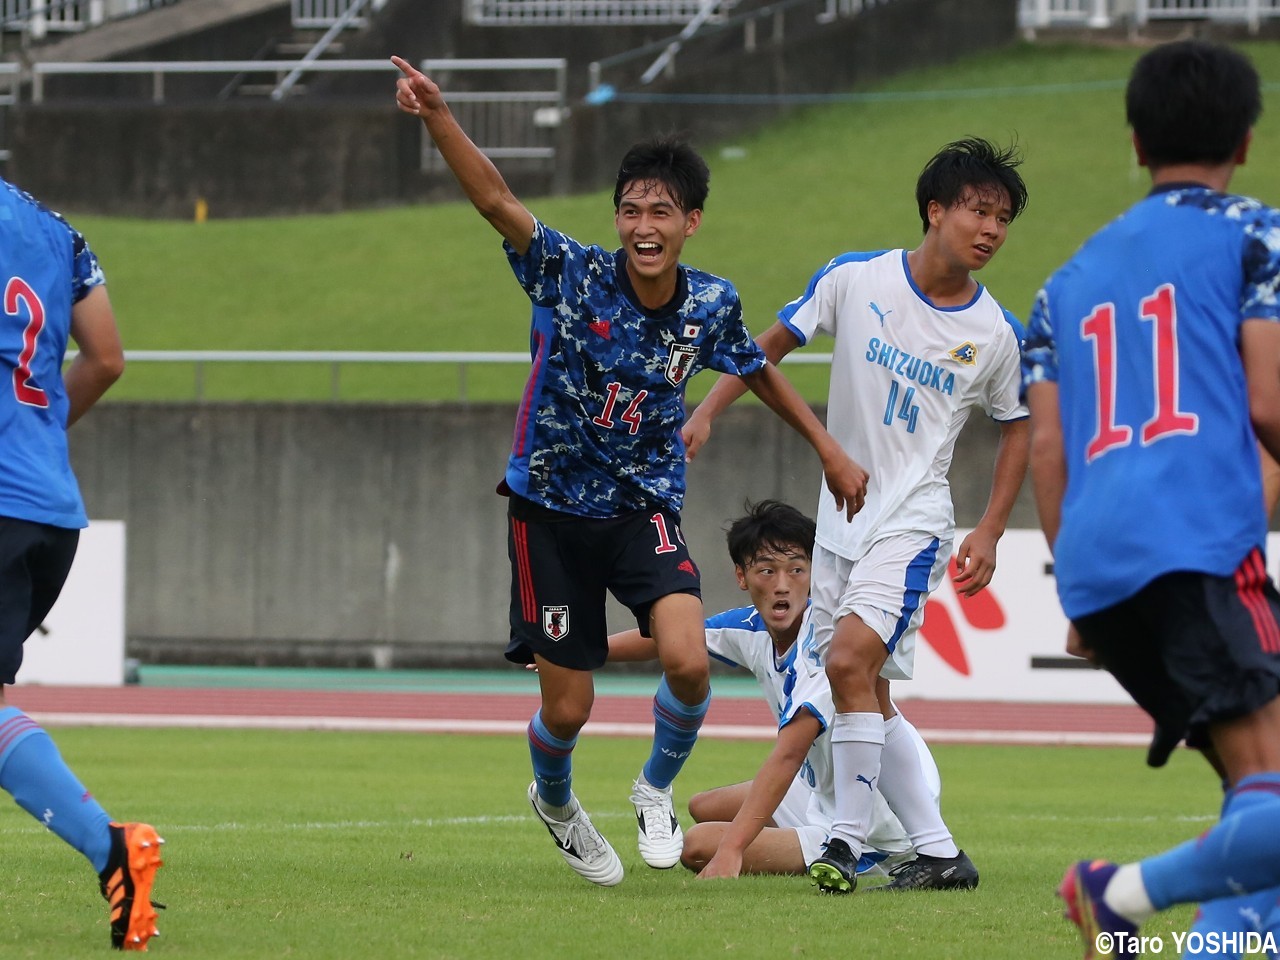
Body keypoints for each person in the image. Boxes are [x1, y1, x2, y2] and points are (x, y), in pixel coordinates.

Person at [391, 57, 868, 887]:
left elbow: (753, 366)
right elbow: (498, 201)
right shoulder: (572, 274)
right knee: (567, 708)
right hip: (547, 511)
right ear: (617, 219)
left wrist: (824, 445)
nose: (644, 224)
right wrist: (437, 115)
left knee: (686, 657)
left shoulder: (710, 303)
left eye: (662, 211)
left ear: (692, 222)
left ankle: (654, 787)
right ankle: (556, 800)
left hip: (642, 506)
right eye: (631, 209)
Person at [684, 138, 1030, 894]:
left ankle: (843, 843)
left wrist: (991, 528)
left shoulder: (994, 333)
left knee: (845, 663)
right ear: (935, 211)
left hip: (911, 526)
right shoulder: (855, 280)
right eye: (978, 209)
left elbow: (1018, 425)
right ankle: (940, 853)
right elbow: (759, 349)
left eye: (1003, 218)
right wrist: (707, 409)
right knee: (867, 689)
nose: (992, 229)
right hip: (838, 525)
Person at [1019, 39, 1280, 959]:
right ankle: (1117, 895)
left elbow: (1047, 446)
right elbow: (1269, 403)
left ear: (1135, 142)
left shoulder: (1061, 286)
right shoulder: (1257, 235)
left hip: (1098, 565)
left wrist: (1076, 594)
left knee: (1257, 798)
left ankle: (1220, 945)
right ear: (1247, 139)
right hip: (1200, 547)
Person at [607, 499, 941, 880]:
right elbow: (673, 639)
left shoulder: (826, 647)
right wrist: (579, 653)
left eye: (796, 570)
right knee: (703, 806)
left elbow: (787, 756)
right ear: (741, 576)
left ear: (815, 573)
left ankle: (861, 855)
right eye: (767, 570)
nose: (782, 585)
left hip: (876, 816)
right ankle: (791, 842)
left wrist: (732, 852)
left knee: (698, 845)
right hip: (824, 790)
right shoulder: (751, 628)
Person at [0, 177, 164, 949]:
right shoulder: (55, 228)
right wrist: (35, 432)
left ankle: (112, 850)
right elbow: (105, 358)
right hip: (48, 506)